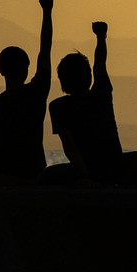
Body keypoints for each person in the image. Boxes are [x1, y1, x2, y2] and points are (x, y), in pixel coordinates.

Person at [0, 0, 53, 186]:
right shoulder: (38, 92)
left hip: (5, 173)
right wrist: (47, 12)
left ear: (0, 70)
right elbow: (45, 48)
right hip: (35, 172)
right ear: (26, 69)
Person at [43, 20, 123, 185]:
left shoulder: (59, 107)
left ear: (63, 81)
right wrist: (101, 37)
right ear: (88, 77)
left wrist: (84, 178)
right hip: (115, 170)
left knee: (45, 176)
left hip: (89, 172)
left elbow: (70, 146)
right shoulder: (102, 94)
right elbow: (100, 65)